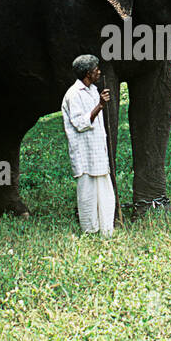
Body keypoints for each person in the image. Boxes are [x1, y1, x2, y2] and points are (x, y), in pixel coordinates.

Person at [61, 54, 115, 236]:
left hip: (97, 151)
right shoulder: (73, 94)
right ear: (87, 73)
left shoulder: (92, 89)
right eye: (95, 70)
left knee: (104, 191)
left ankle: (106, 229)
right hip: (84, 153)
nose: (99, 72)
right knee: (87, 194)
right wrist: (100, 105)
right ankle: (90, 230)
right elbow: (80, 123)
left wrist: (99, 101)